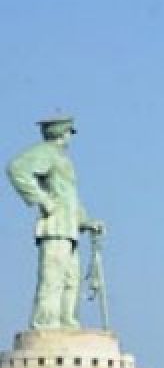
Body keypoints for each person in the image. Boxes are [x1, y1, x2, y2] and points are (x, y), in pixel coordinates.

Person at [5, 116, 104, 330]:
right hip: (55, 226)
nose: (69, 136)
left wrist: (86, 222)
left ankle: (66, 320)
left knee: (71, 280)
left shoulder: (62, 158)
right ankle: (45, 323)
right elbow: (16, 169)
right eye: (69, 132)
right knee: (53, 278)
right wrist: (43, 200)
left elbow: (70, 197)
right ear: (62, 132)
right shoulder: (45, 152)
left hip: (69, 229)